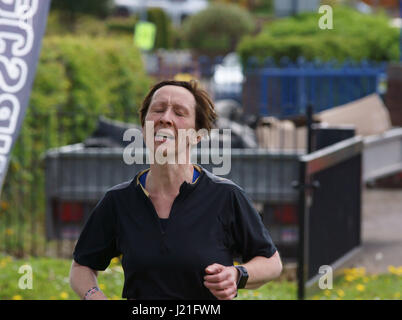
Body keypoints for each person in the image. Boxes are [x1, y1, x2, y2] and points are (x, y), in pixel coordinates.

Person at [69, 80, 282, 300]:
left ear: (198, 135)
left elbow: (271, 262)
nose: (165, 118)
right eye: (158, 110)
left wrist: (237, 274)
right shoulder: (118, 201)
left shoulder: (225, 196)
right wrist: (94, 295)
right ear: (144, 128)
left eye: (179, 113)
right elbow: (81, 267)